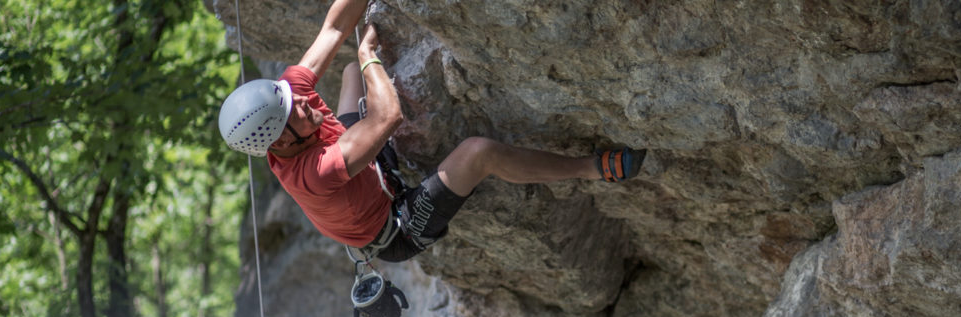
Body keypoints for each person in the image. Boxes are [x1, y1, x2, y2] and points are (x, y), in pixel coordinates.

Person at [218, 0, 645, 263]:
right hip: (394, 227)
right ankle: (592, 168)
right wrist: (369, 56)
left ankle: (373, 134)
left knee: (346, 72)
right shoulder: (315, 172)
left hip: (364, 171)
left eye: (298, 97)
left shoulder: (284, 100)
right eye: (298, 110)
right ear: (282, 141)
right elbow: (387, 120)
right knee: (478, 153)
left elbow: (333, 28)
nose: (308, 99)